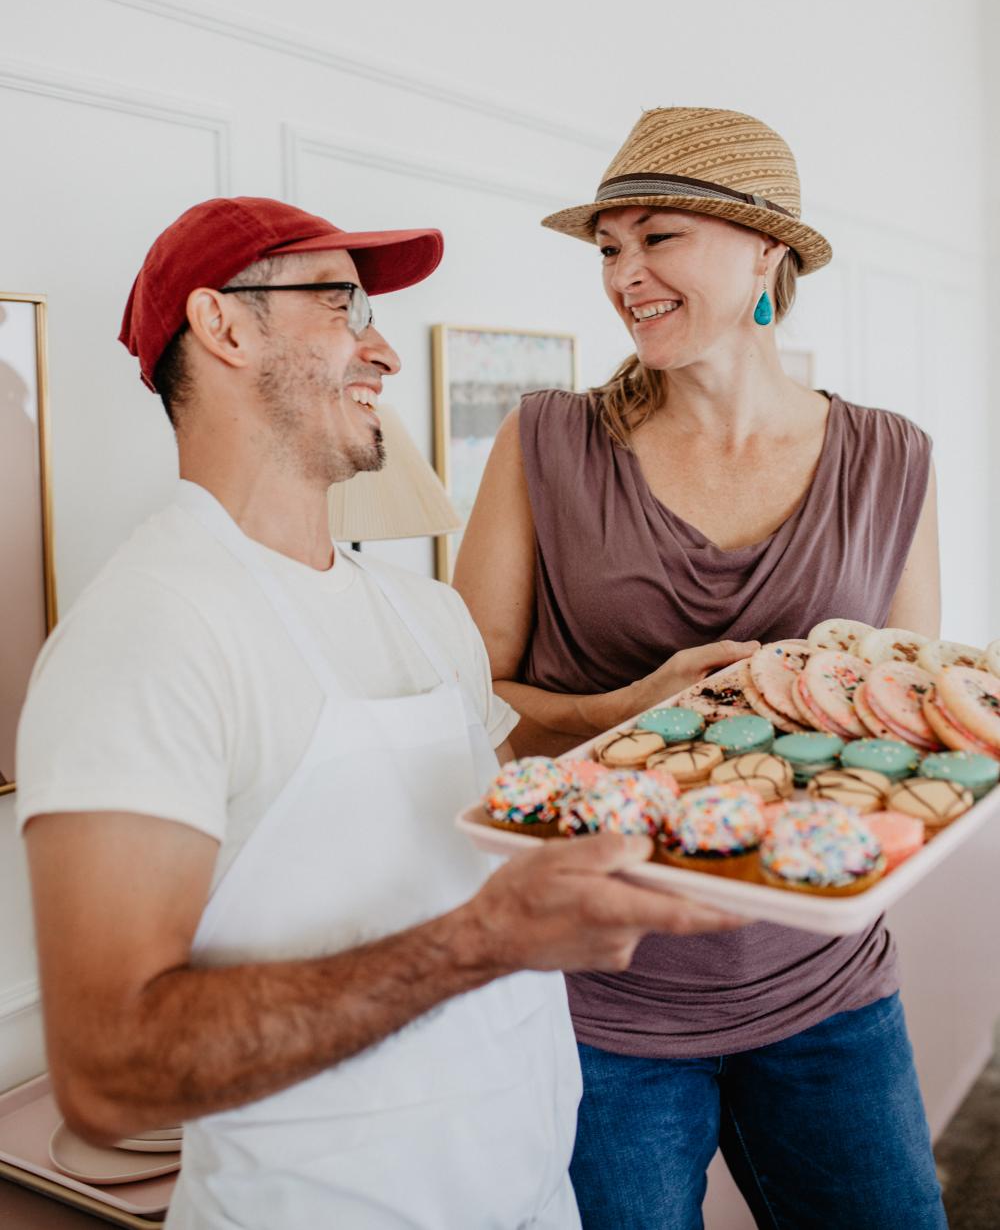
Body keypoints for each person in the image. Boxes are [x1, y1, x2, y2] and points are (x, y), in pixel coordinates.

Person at [17, 196, 740, 1230]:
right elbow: (110, 1072)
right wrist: (482, 941)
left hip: (535, 1196)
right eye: (343, 305)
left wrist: (630, 710)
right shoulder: (144, 634)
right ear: (224, 326)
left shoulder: (421, 611)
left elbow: (476, 775)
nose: (384, 352)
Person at [454, 108, 948, 1230]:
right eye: (608, 248)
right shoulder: (545, 444)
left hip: (829, 985)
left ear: (765, 247)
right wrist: (632, 706)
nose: (625, 274)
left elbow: (907, 712)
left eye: (656, 237)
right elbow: (465, 703)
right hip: (600, 1001)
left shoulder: (893, 458)